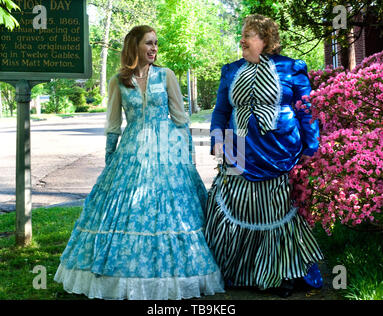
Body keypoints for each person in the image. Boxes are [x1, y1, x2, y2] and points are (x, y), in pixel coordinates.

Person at [54, 25, 225, 300]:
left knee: (172, 212)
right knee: (126, 210)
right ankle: (123, 278)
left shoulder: (166, 75)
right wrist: (110, 161)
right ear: (134, 47)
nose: (154, 49)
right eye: (149, 43)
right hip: (131, 152)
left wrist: (187, 158)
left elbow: (181, 120)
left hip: (166, 152)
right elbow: (113, 126)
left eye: (156, 44)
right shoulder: (118, 81)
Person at [205, 14, 324, 298]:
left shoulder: (292, 68)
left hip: (281, 150)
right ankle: (239, 271)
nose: (243, 40)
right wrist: (217, 140)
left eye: (250, 35)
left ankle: (282, 273)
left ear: (266, 40)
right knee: (237, 208)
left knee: (278, 212)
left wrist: (311, 148)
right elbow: (222, 111)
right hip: (239, 151)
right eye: (243, 34)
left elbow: (306, 111)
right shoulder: (231, 70)